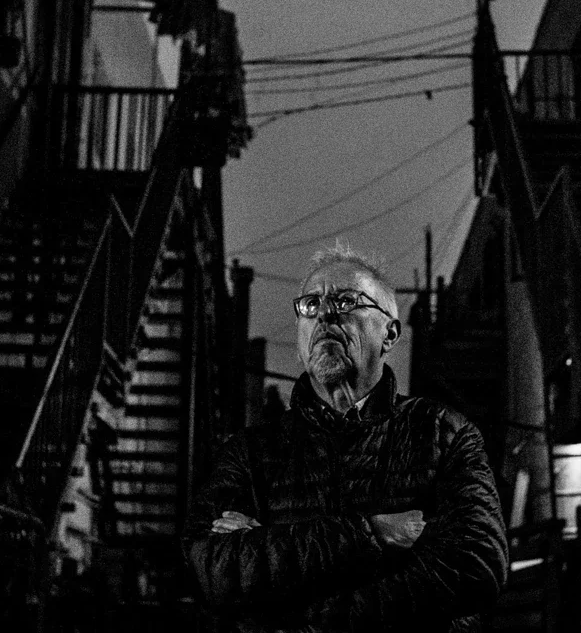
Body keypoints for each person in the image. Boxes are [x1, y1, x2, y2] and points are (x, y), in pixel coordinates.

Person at [182, 244, 508, 632]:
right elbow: (211, 568)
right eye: (311, 304)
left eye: (345, 301)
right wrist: (374, 533)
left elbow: (478, 565)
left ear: (389, 333)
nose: (324, 314)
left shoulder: (444, 434)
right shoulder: (250, 453)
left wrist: (305, 614)